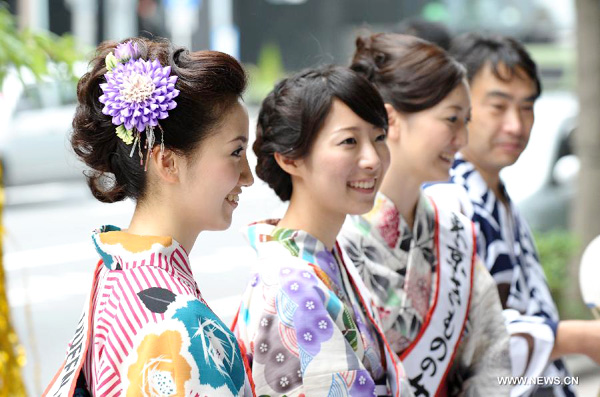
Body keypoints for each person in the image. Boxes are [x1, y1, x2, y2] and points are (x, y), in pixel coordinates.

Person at [44, 37, 255, 396]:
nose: (248, 176)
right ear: (168, 163)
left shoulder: (114, 272)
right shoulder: (177, 319)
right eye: (235, 152)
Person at [426, 33, 600, 396]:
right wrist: (580, 337)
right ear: (459, 104)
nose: (516, 125)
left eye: (527, 107)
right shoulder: (448, 201)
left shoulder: (496, 196)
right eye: (498, 106)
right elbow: (463, 337)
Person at [339, 32, 511, 396]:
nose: (461, 139)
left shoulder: (453, 228)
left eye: (466, 121)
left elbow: (492, 352)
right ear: (392, 120)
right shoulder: (337, 235)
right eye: (451, 119)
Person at [232, 65, 412, 396]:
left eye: (379, 137)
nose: (372, 159)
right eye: (348, 141)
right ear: (290, 159)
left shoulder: (321, 257)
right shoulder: (292, 286)